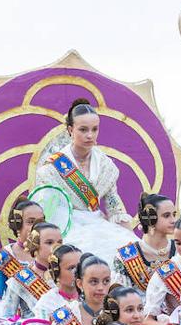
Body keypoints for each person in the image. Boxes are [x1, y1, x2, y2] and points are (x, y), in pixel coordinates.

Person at [31, 99, 136, 262]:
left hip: (100, 226)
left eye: (95, 129)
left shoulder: (106, 165)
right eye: (83, 130)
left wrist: (133, 240)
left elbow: (114, 208)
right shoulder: (52, 169)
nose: (90, 135)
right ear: (70, 130)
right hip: (66, 230)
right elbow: (48, 211)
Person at [113, 192, 175, 291]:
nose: (173, 220)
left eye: (174, 214)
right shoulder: (125, 256)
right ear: (150, 218)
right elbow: (120, 297)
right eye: (166, 215)